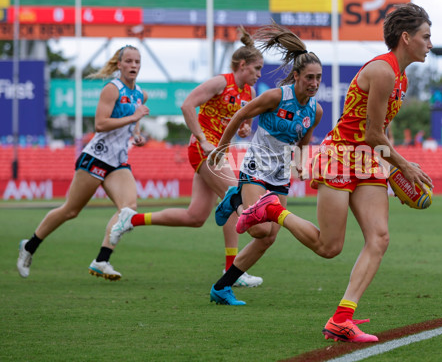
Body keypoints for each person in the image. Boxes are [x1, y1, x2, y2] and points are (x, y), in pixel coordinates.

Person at [234, 3, 434, 343]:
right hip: (341, 155)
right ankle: (272, 210)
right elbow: (372, 133)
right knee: (329, 247)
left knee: (379, 238)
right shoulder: (383, 72)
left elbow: (378, 132)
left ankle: (342, 318)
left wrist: (389, 167)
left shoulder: (400, 76)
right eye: (426, 36)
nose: (430, 43)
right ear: (406, 37)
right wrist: (404, 166)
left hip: (367, 158)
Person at [109, 27, 264, 288]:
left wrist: (244, 127)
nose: (259, 74)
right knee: (235, 197)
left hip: (217, 152)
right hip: (205, 151)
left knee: (195, 217)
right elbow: (187, 104)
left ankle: (131, 219)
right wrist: (203, 139)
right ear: (242, 65)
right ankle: (233, 272)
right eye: (257, 68)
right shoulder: (220, 82)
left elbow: (242, 122)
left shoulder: (249, 93)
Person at [207, 22, 322, 305]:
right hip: (257, 167)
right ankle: (234, 200)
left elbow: (304, 142)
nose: (315, 83)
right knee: (258, 228)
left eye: (319, 78)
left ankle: (222, 287)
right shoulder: (274, 97)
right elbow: (239, 116)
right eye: (309, 77)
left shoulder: (314, 110)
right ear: (296, 75)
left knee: (268, 237)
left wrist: (300, 165)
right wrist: (222, 148)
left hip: (281, 175)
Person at [17, 45, 150, 280]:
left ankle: (102, 260)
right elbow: (100, 124)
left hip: (118, 161)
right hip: (97, 157)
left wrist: (137, 134)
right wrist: (133, 117)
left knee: (128, 209)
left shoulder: (141, 93)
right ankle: (30, 246)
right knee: (70, 210)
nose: (133, 66)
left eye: (137, 62)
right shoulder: (112, 89)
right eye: (128, 61)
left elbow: (134, 119)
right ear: (119, 65)